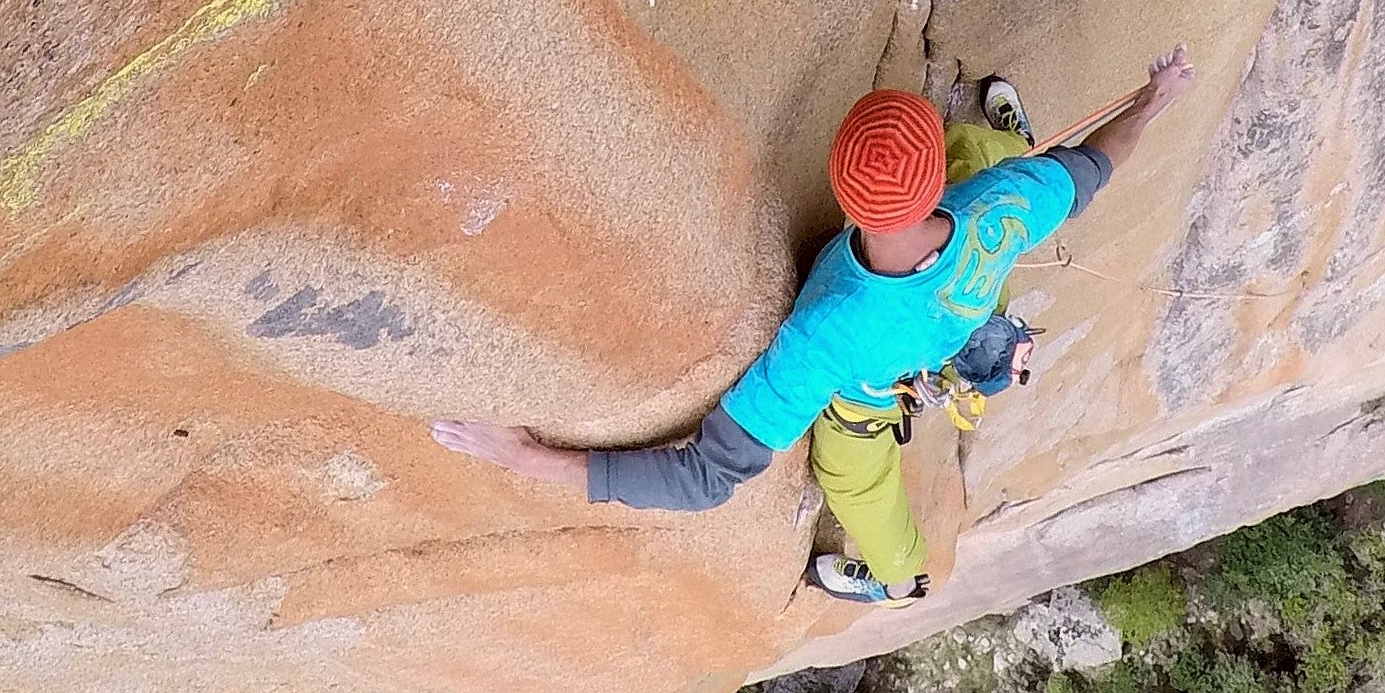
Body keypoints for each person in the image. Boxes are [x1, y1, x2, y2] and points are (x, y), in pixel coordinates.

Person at [432, 47, 1197, 606]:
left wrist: (528, 456)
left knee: (864, 494)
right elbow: (1094, 168)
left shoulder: (825, 336)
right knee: (994, 156)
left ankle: (896, 580)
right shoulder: (1006, 205)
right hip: (973, 274)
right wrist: (1154, 99)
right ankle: (999, 141)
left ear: (839, 192)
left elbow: (705, 480)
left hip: (873, 380)